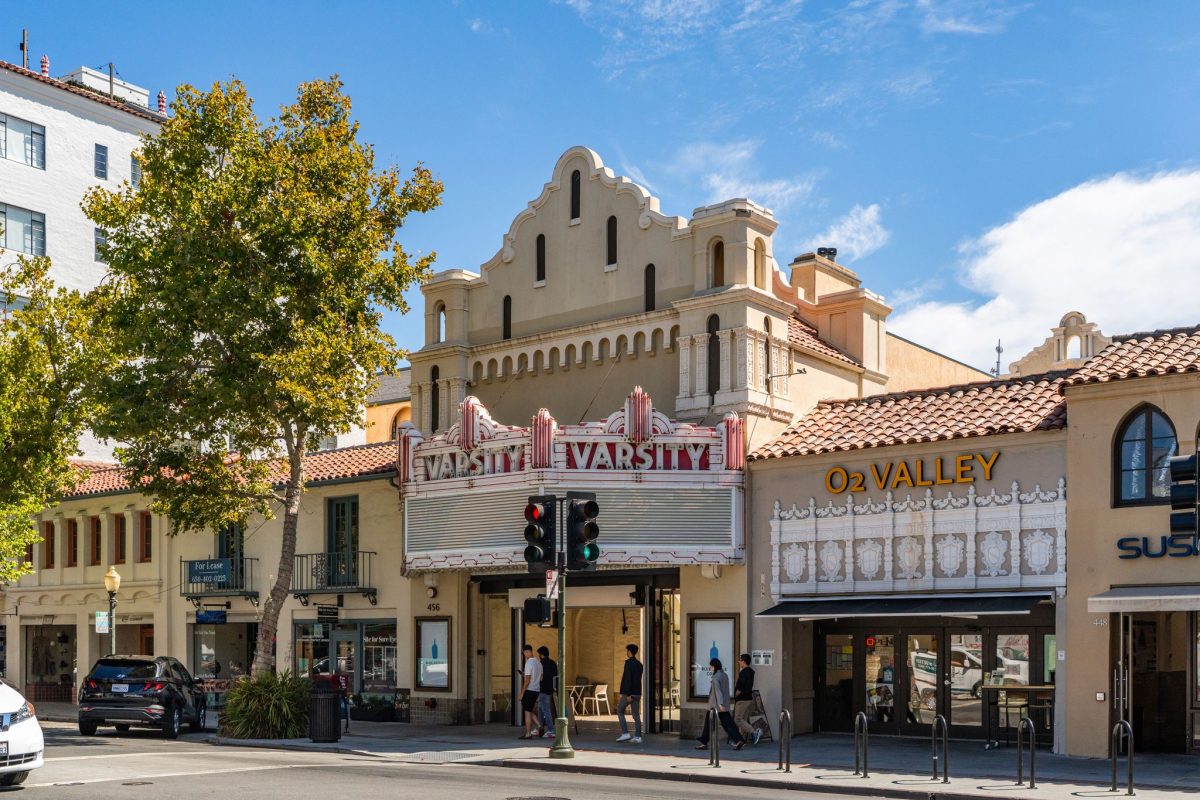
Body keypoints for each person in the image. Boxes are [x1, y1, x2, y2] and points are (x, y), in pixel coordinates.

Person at [694, 658, 745, 751]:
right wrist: (724, 704)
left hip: (715, 706)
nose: (710, 668)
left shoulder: (715, 677)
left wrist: (720, 704)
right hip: (724, 704)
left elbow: (718, 692)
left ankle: (704, 743)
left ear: (714, 666)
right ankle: (739, 740)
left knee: (708, 724)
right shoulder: (724, 675)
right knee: (728, 724)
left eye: (711, 666)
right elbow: (725, 690)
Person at [616, 644, 643, 744]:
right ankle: (638, 736)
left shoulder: (628, 663)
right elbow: (637, 680)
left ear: (630, 652)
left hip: (629, 693)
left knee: (620, 710)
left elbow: (628, 679)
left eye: (627, 651)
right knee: (636, 715)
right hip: (637, 693)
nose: (626, 653)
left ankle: (625, 733)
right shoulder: (640, 665)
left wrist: (627, 694)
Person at [733, 653, 761, 745]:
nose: (738, 662)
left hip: (742, 699)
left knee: (738, 719)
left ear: (743, 661)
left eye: (740, 660)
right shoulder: (751, 672)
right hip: (749, 698)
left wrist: (736, 695)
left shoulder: (743, 672)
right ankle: (740, 741)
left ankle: (754, 732)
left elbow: (740, 688)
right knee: (743, 720)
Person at [518, 644, 542, 739]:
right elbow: (541, 678)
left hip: (529, 690)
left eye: (524, 653)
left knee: (527, 712)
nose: (524, 655)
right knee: (530, 709)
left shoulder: (528, 663)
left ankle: (528, 734)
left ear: (527, 652)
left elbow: (527, 680)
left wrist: (521, 693)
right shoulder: (539, 663)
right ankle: (539, 725)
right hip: (536, 690)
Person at [537, 645, 557, 739]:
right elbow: (555, 675)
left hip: (542, 689)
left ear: (541, 654)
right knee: (541, 709)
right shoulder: (553, 663)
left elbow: (539, 677)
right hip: (550, 689)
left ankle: (551, 730)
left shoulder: (540, 663)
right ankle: (539, 727)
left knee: (545, 710)